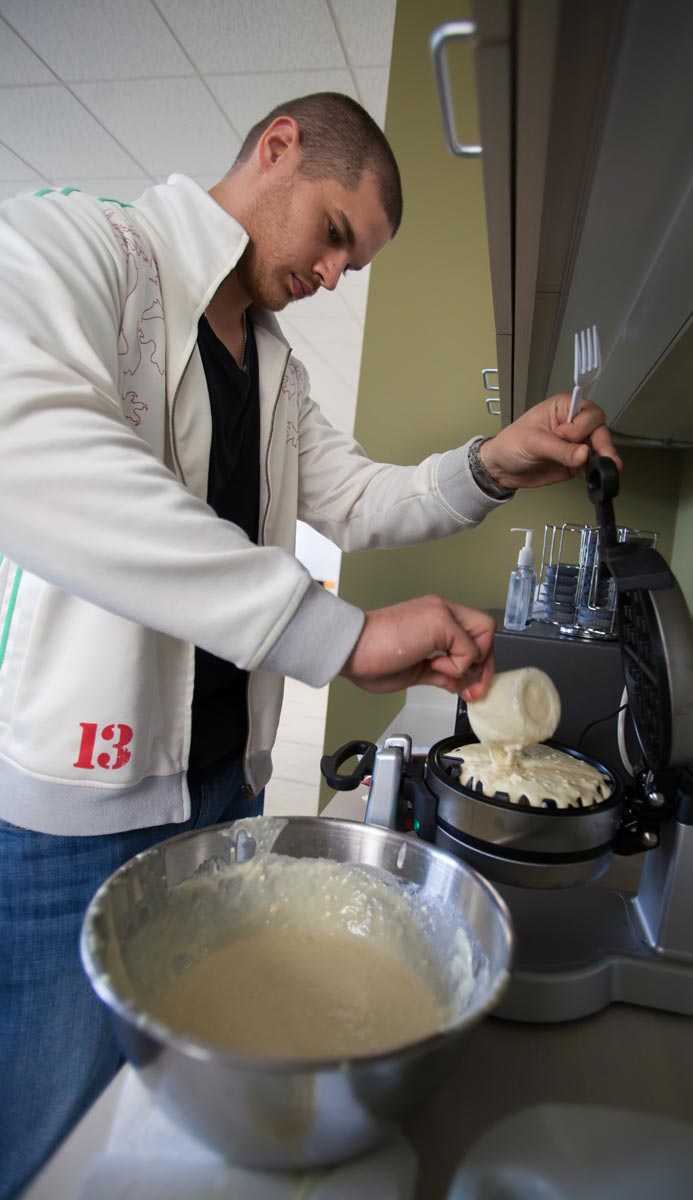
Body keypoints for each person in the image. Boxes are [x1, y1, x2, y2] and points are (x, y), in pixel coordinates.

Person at [0, 92, 618, 1196]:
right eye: (335, 233)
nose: (334, 274)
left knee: (183, 1148)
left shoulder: (273, 368)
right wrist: (331, 632)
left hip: (219, 798)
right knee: (53, 1139)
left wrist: (489, 464)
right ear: (276, 147)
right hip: (71, 821)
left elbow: (361, 499)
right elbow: (26, 446)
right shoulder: (84, 247)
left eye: (355, 264)